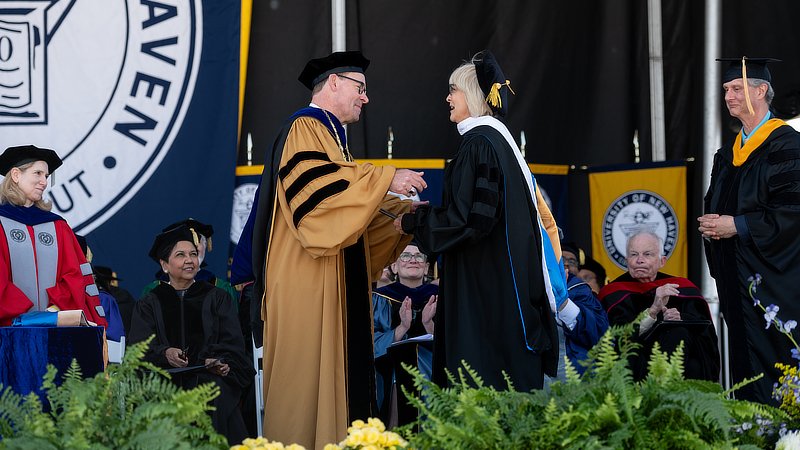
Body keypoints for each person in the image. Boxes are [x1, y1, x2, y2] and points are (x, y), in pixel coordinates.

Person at [232, 51, 425, 449]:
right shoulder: (305, 128)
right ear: (333, 83)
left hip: (326, 280)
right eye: (361, 88)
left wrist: (400, 214)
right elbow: (320, 205)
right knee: (306, 387)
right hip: (307, 282)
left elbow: (345, 201)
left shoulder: (333, 138)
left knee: (332, 381)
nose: (366, 99)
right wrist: (388, 177)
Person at [395, 51, 560, 393]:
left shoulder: (479, 145)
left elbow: (472, 222)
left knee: (480, 385)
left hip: (486, 294)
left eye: (453, 89)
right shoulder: (498, 143)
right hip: (499, 287)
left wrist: (413, 221)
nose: (447, 97)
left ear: (471, 95)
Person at [699, 57, 800, 404]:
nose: (728, 95)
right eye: (726, 89)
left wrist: (737, 225)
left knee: (778, 365)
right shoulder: (727, 154)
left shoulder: (788, 145)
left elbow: (794, 212)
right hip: (737, 280)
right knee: (744, 368)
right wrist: (713, 225)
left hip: (776, 283)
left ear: (761, 91)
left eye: (737, 88)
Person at [128, 224, 254, 444]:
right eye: (180, 255)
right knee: (154, 393)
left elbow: (233, 344)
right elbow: (138, 349)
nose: (189, 260)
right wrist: (164, 354)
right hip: (162, 378)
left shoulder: (218, 297)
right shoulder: (149, 302)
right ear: (164, 265)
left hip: (209, 378)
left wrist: (217, 361)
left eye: (193, 254)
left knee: (213, 390)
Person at [0, 145, 107, 328]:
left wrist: (54, 310)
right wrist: (23, 314)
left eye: (47, 176)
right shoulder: (1, 222)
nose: (44, 182)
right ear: (16, 175)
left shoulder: (57, 226)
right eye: (38, 173)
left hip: (54, 325)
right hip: (8, 328)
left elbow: (73, 275)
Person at [599, 228, 720, 382]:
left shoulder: (682, 287)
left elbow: (705, 332)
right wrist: (653, 312)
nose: (639, 260)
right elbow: (617, 336)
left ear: (662, 261)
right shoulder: (613, 293)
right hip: (638, 360)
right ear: (626, 261)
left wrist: (680, 318)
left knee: (686, 346)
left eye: (647, 254)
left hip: (683, 356)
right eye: (634, 254)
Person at [372, 242, 437, 422]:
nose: (413, 260)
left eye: (419, 256)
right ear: (394, 266)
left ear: (426, 268)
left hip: (433, 371)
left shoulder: (441, 297)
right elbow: (369, 344)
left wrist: (428, 323)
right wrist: (402, 328)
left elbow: (457, 342)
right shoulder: (378, 298)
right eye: (406, 256)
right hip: (393, 373)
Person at [141, 218, 237, 303]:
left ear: (205, 245)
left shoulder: (222, 289)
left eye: (195, 243)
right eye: (180, 253)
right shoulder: (153, 291)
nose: (188, 258)